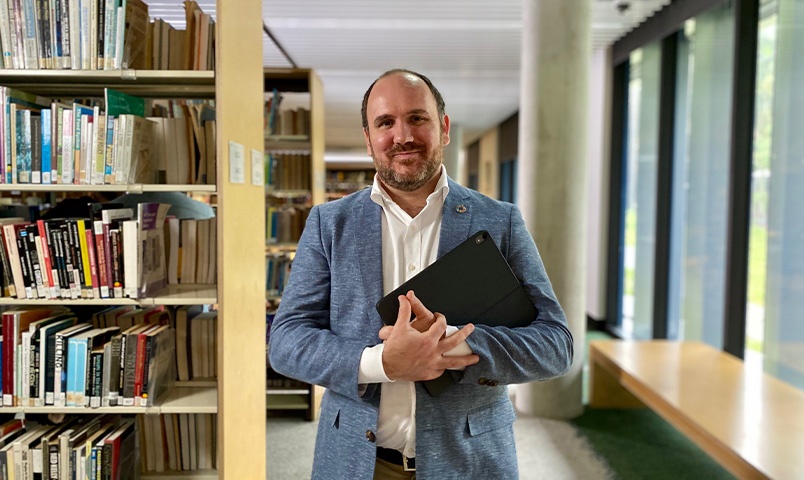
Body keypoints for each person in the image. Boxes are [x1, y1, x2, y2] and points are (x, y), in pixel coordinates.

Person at [268, 69, 573, 479]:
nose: (403, 135)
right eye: (385, 122)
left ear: (443, 128)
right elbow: (286, 341)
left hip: (471, 464)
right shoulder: (329, 224)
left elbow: (555, 345)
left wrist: (454, 345)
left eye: (417, 118)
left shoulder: (500, 221)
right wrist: (381, 363)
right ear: (368, 138)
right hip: (358, 464)